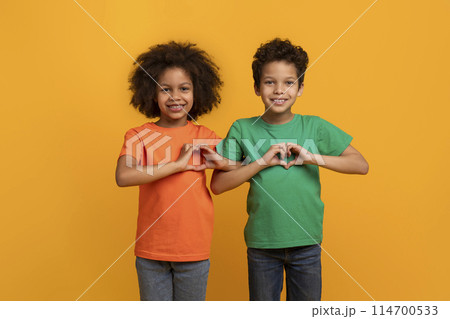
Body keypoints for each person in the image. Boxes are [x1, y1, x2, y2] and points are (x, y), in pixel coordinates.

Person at [211, 38, 369, 301]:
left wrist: (311, 157)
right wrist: (261, 161)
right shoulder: (242, 128)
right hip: (262, 244)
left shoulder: (314, 127)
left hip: (306, 242)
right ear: (256, 87)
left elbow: (360, 165)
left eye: (289, 83)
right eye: (269, 82)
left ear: (301, 88)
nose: (279, 90)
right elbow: (218, 185)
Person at [115, 41, 230, 301]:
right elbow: (123, 176)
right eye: (165, 89)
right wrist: (177, 165)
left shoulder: (206, 136)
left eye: (184, 88)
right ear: (151, 94)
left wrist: (222, 162)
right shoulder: (139, 135)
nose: (175, 96)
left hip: (193, 250)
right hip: (151, 252)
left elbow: (238, 164)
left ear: (197, 92)